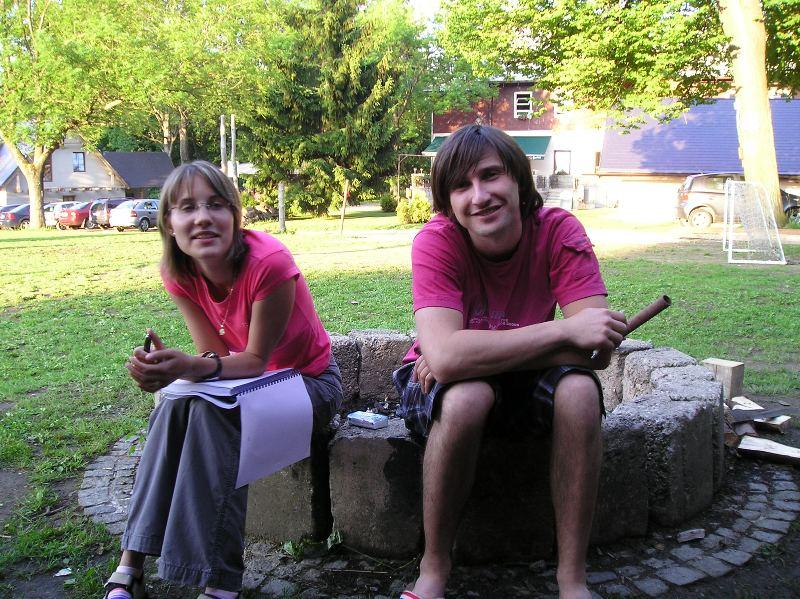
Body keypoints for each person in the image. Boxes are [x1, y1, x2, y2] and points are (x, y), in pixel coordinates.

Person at [392, 125, 628, 599]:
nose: (479, 196)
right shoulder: (436, 241)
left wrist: (467, 354)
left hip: (520, 374)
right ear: (448, 201)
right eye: (461, 185)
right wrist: (562, 332)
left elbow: (595, 352)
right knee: (466, 397)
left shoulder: (559, 231)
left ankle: (572, 579)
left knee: (579, 391)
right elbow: (445, 359)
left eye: (490, 175)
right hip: (448, 384)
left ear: (519, 180)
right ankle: (433, 569)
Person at [104, 161, 343, 599]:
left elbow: (253, 361)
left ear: (234, 216)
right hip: (248, 386)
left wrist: (189, 367)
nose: (202, 217)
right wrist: (167, 371)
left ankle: (218, 583)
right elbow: (213, 356)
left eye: (216, 205)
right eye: (187, 207)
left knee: (216, 416)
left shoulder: (269, 263)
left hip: (309, 385)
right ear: (169, 223)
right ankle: (130, 564)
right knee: (176, 404)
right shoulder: (179, 274)